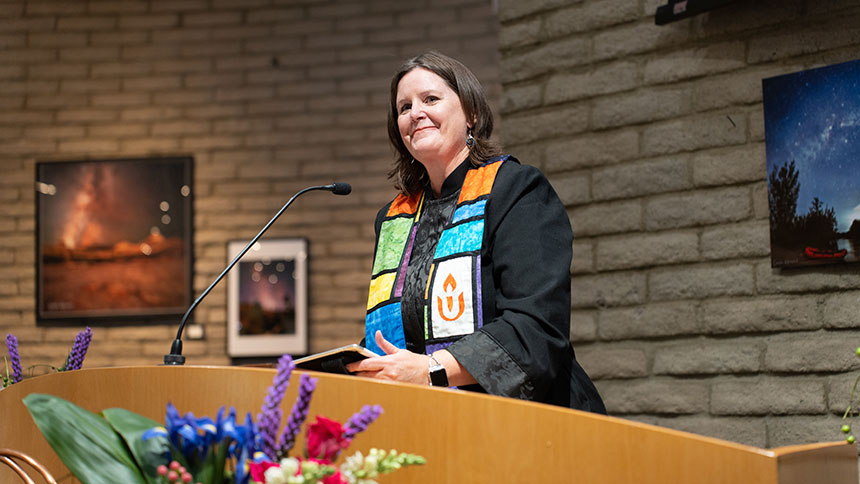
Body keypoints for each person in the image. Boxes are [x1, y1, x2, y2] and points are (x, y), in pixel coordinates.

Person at [346, 51, 605, 412]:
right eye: (403, 107)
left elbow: (535, 328)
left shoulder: (516, 190)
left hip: (528, 421)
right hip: (429, 422)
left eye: (430, 99)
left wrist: (433, 370)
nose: (415, 113)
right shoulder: (394, 220)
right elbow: (404, 337)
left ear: (472, 114)